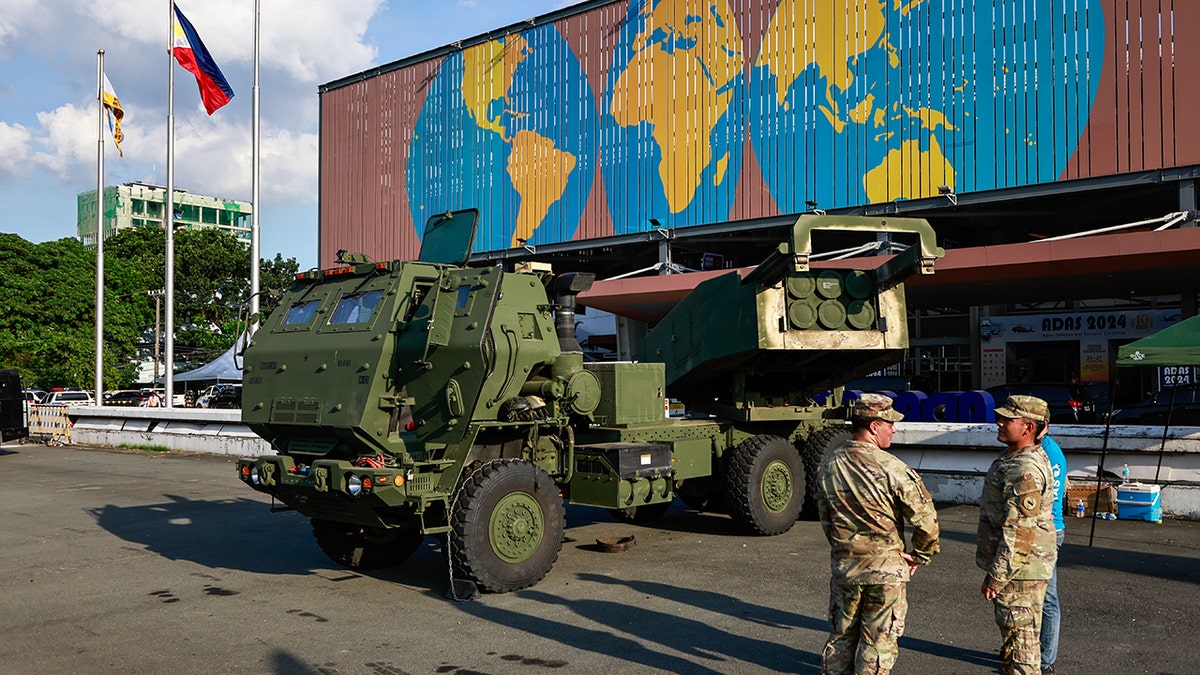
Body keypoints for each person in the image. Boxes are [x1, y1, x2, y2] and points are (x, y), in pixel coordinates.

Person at [817, 393, 941, 675]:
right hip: (885, 571)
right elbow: (927, 522)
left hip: (845, 567)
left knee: (842, 637)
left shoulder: (828, 464)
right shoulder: (892, 467)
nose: (894, 429)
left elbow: (827, 518)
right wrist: (919, 556)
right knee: (877, 644)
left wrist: (844, 550)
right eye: (890, 423)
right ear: (874, 426)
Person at [978, 396, 1058, 675]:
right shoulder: (1015, 458)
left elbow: (1020, 531)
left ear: (1028, 427)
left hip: (1020, 572)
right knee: (1016, 643)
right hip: (1021, 568)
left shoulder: (1025, 468)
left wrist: (998, 576)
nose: (999, 422)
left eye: (1007, 419)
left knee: (1022, 649)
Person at [1037, 420, 1067, 674]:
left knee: (1048, 598)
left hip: (1047, 531)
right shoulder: (1040, 449)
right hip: (1042, 530)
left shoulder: (1049, 453)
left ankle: (1045, 659)